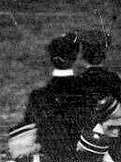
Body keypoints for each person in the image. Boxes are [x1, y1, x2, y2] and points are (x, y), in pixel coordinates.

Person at [23, 33, 98, 162]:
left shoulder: (37, 97)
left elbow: (29, 135)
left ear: (51, 59)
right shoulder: (87, 94)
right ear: (75, 58)